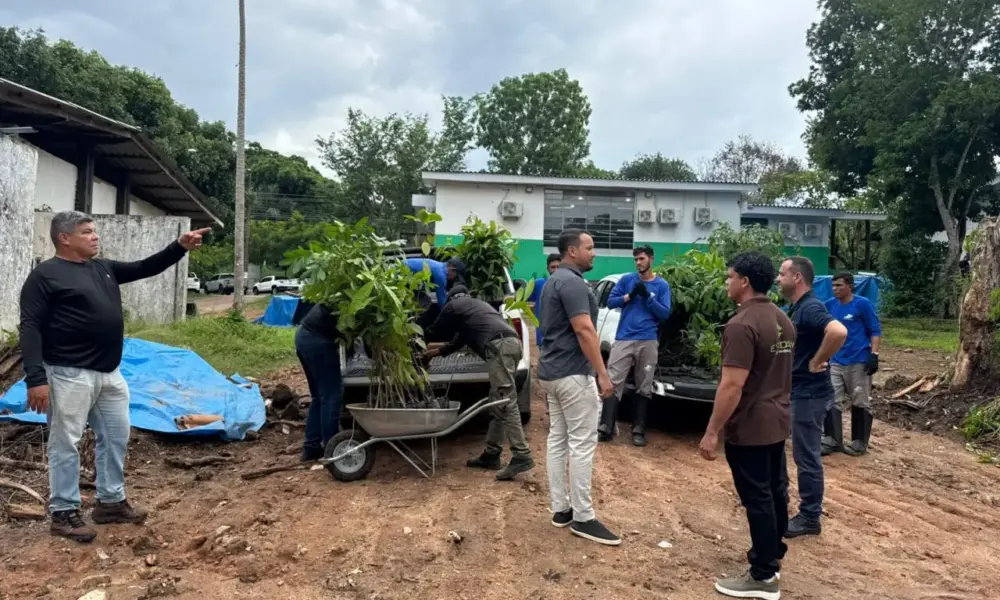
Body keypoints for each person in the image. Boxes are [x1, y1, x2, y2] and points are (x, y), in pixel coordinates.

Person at [18, 211, 209, 543]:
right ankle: (63, 512)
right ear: (65, 238)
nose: (95, 236)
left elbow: (144, 268)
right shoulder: (45, 276)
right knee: (65, 443)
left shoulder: (102, 268)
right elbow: (30, 326)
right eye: (87, 232)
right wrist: (36, 379)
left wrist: (179, 246)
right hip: (68, 374)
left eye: (94, 231)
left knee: (116, 435)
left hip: (109, 373)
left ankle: (110, 502)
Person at [698, 252, 794, 600]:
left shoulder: (741, 325)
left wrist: (712, 431)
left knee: (758, 499)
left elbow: (732, 385)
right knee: (775, 492)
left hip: (752, 425)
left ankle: (763, 575)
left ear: (745, 282)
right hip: (777, 420)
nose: (727, 282)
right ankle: (772, 554)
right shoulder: (782, 318)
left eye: (729, 277)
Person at [537, 230, 620, 546]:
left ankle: (561, 509)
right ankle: (583, 518)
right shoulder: (571, 283)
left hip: (552, 372)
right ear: (572, 251)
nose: (593, 253)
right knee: (582, 443)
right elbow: (584, 330)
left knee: (558, 439)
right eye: (589, 248)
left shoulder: (554, 281)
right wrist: (602, 374)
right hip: (572, 374)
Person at [421, 286, 534, 481]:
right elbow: (457, 342)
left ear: (451, 298)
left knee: (505, 401)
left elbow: (434, 331)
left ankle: (521, 455)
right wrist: (432, 354)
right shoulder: (475, 308)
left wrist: (414, 335)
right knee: (497, 402)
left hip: (499, 347)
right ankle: (491, 454)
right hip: (511, 345)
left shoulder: (454, 305)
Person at [776, 256, 847, 539]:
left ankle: (809, 516)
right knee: (799, 452)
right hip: (798, 391)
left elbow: (838, 331)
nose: (778, 279)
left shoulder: (810, 307)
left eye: (782, 274)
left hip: (809, 393)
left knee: (807, 456)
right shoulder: (798, 308)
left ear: (797, 278)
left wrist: (817, 360)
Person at [598, 245, 672, 447]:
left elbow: (665, 313)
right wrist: (629, 296)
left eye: (642, 259)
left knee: (644, 383)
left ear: (651, 259)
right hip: (624, 338)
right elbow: (611, 302)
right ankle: (605, 426)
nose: (638, 263)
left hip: (648, 339)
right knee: (613, 379)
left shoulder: (662, 286)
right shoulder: (626, 280)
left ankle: (638, 429)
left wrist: (648, 297)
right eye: (636, 259)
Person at [823, 272, 881, 456]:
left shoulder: (862, 304)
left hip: (858, 360)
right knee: (832, 398)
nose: (835, 289)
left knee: (860, 400)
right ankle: (832, 439)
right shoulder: (829, 305)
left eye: (839, 285)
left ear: (850, 286)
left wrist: (874, 355)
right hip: (836, 360)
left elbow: (875, 330)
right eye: (833, 286)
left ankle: (859, 442)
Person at [295, 302, 344, 462]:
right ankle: (333, 449)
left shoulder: (340, 295)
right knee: (331, 396)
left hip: (304, 335)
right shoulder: (353, 300)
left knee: (319, 395)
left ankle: (312, 447)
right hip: (318, 342)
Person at [527, 253, 562, 348]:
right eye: (553, 267)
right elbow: (524, 297)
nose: (556, 270)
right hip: (544, 338)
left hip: (562, 339)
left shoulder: (569, 285)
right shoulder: (538, 284)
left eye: (559, 267)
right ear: (548, 269)